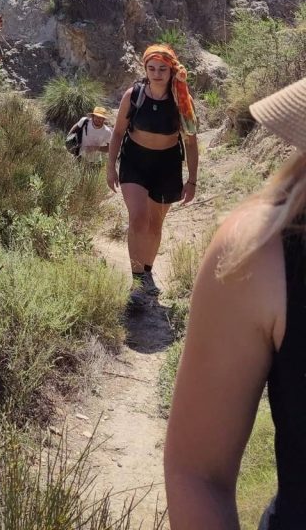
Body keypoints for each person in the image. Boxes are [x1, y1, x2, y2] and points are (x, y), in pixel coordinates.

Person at [165, 77, 306, 530]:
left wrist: (190, 175)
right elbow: (197, 472)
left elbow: (189, 133)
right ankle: (141, 277)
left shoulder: (178, 96)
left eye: (160, 71)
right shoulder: (265, 256)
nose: (156, 77)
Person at [107, 44, 198, 300]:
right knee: (138, 218)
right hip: (135, 161)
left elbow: (191, 141)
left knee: (155, 224)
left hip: (167, 165)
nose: (157, 73)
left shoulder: (182, 100)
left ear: (171, 70)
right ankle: (136, 281)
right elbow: (117, 133)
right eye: (151, 68)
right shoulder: (133, 95)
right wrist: (110, 166)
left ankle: (147, 272)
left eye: (162, 69)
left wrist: (192, 180)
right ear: (145, 69)